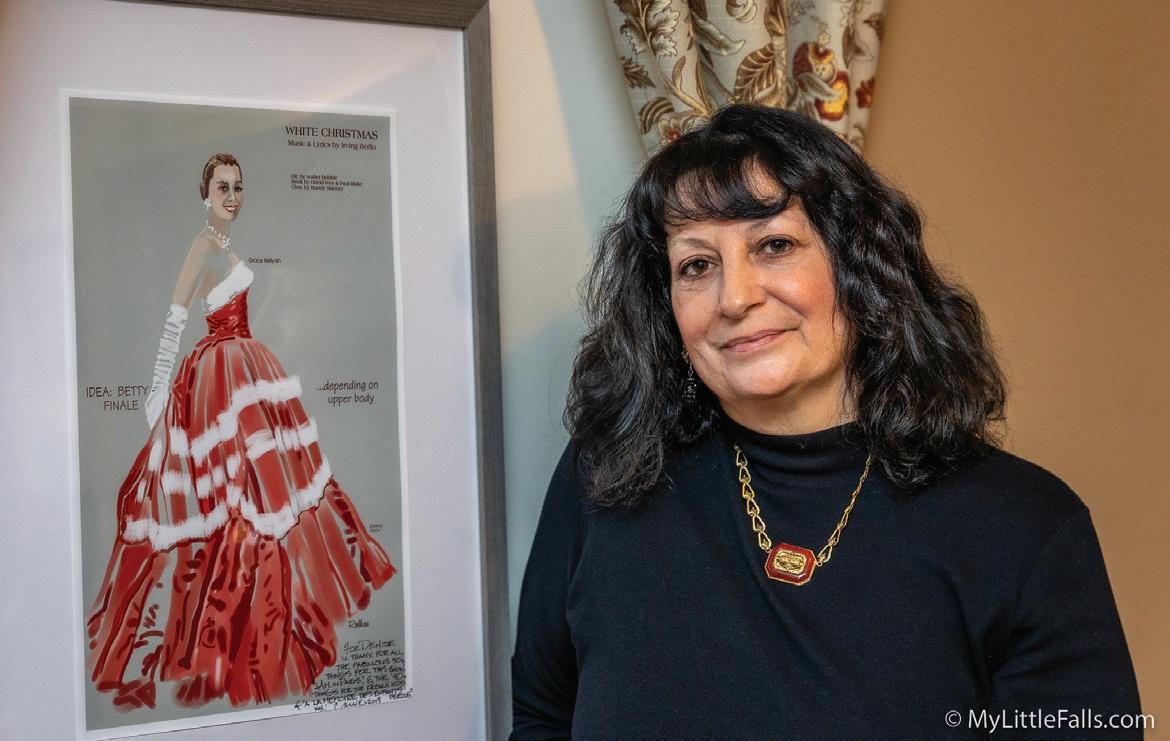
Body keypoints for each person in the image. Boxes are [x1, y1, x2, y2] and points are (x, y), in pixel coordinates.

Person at [511, 106, 1142, 739]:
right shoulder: (607, 475)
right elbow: (542, 718)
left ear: (859, 267)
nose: (735, 298)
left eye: (774, 246)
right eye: (697, 265)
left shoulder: (1024, 525)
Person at [86, 154, 396, 710]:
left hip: (245, 367)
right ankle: (221, 644)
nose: (232, 195)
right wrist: (157, 392)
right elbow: (175, 319)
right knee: (234, 501)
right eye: (222, 187)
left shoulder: (223, 246)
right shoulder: (203, 247)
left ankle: (255, 630)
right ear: (204, 193)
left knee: (262, 496)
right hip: (220, 378)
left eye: (238, 186)